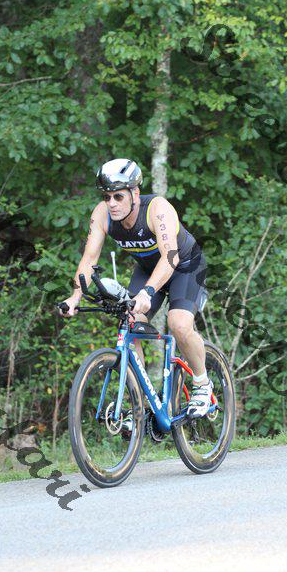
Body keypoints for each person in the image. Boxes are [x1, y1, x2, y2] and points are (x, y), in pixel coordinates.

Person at [60, 158, 212, 418]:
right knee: (129, 323)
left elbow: (170, 257)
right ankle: (140, 405)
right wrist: (75, 296)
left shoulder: (157, 209)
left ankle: (202, 384)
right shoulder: (103, 214)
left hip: (185, 266)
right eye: (107, 197)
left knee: (178, 324)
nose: (111, 203)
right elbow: (89, 259)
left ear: (135, 193)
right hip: (148, 269)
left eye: (118, 196)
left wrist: (148, 292)